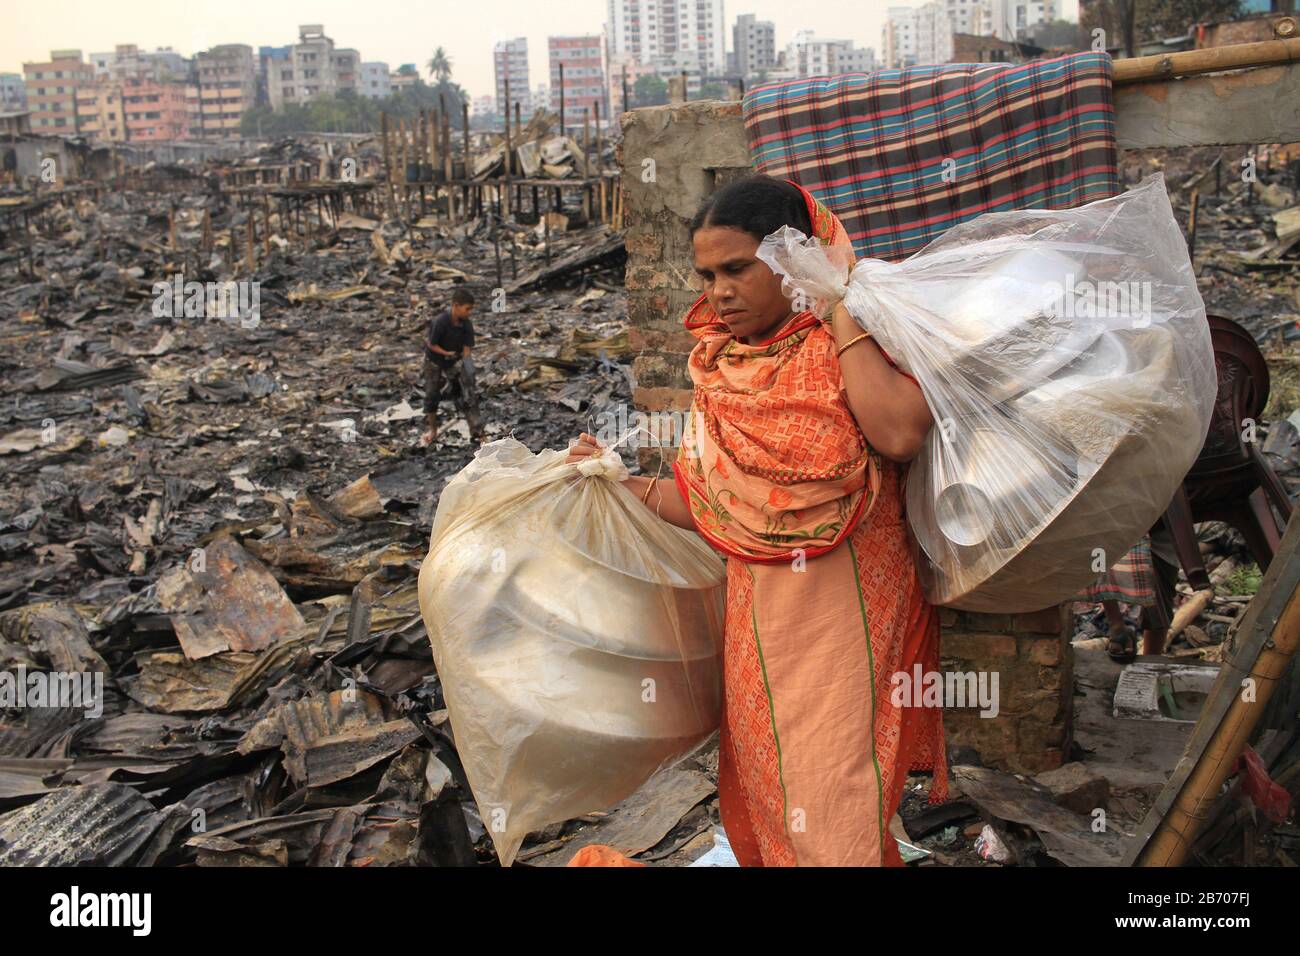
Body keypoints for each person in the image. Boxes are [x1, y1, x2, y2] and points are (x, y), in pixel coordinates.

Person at [566, 175, 947, 866]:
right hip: (759, 624)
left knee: (833, 782)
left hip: (845, 618)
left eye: (737, 268)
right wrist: (619, 484)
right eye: (707, 275)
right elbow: (717, 504)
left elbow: (898, 434)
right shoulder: (722, 368)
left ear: (795, 256)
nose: (719, 292)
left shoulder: (859, 330)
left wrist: (838, 308)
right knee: (775, 781)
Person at [421, 288, 485, 447]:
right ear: (456, 306)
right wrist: (446, 353)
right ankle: (433, 430)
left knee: (468, 393)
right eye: (467, 309)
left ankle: (476, 431)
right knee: (431, 395)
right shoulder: (440, 322)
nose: (469, 312)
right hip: (434, 360)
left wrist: (467, 368)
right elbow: (431, 344)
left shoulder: (466, 325)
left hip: (454, 360)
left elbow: (467, 348)